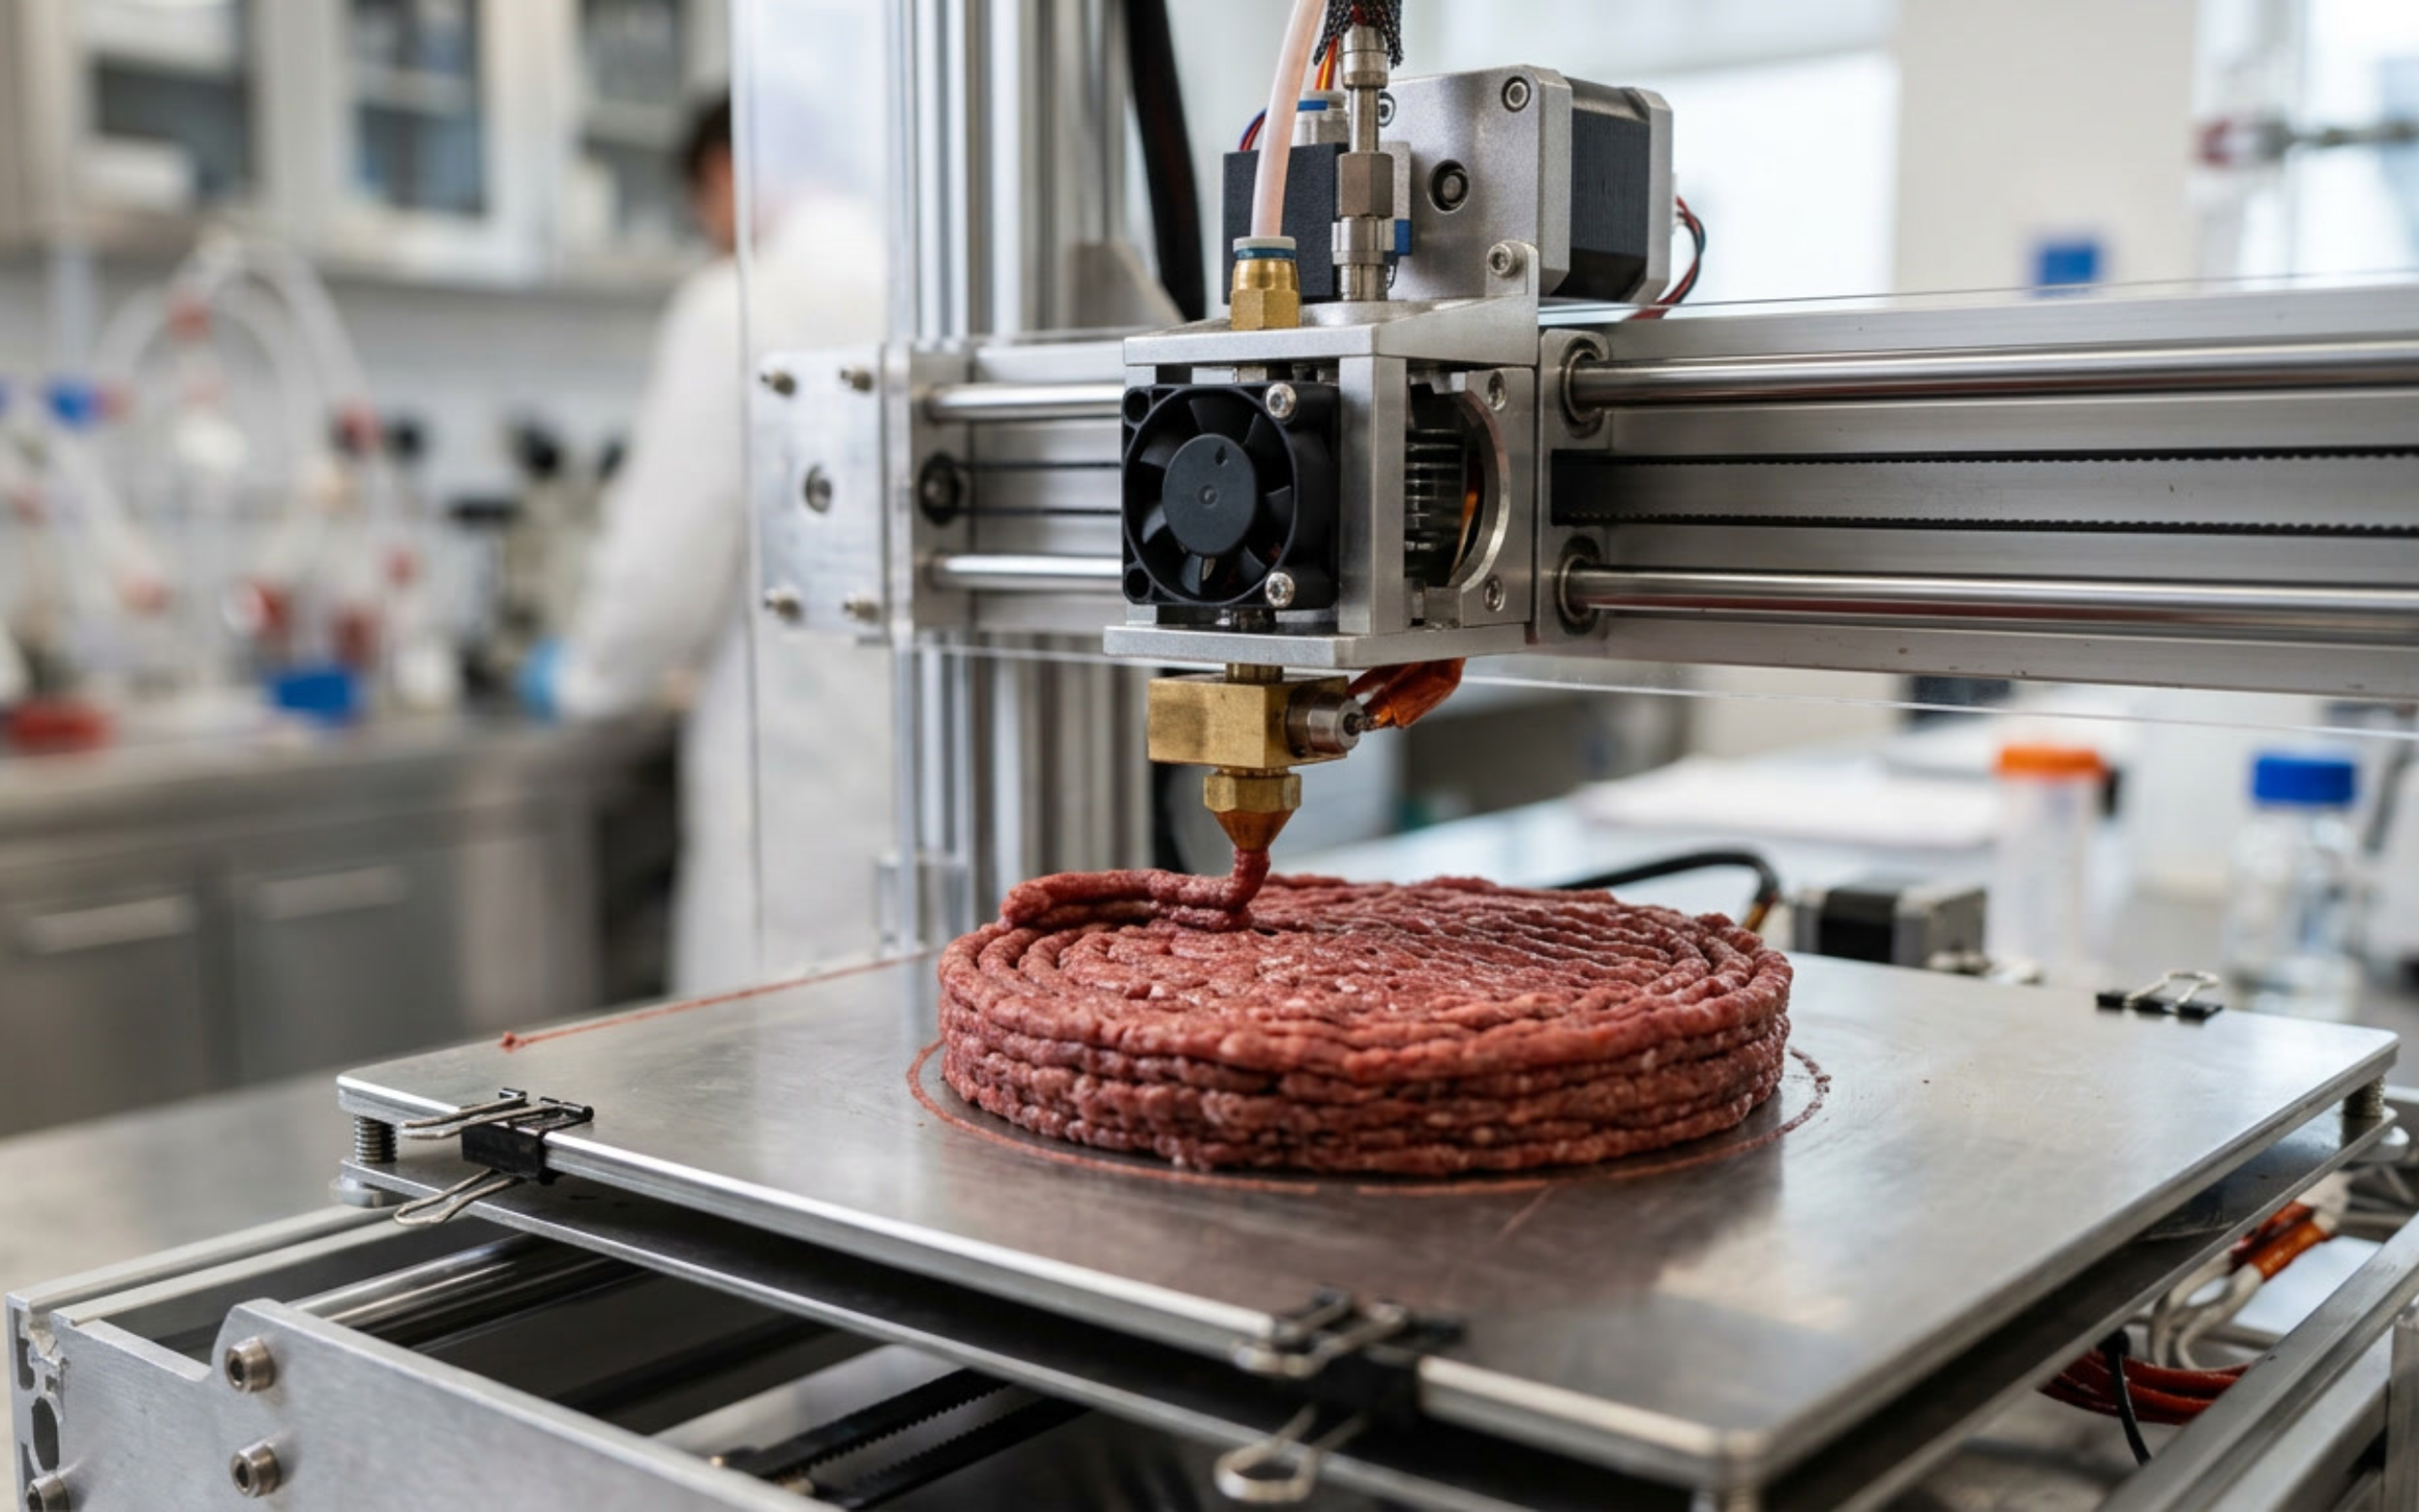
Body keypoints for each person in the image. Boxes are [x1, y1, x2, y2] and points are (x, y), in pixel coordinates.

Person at [525, 94, 891, 994]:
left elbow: (661, 571)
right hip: (953, 812)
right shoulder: (936, 273)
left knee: (776, 1096)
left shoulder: (735, 304)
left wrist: (581, 677)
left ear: (723, 174)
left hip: (805, 822)